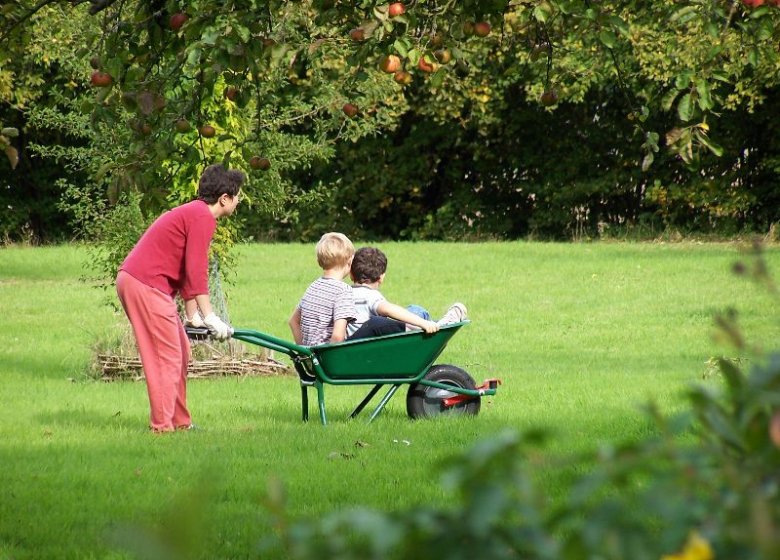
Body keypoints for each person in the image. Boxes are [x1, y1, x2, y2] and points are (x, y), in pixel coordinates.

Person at [116, 164, 243, 433]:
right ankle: (162, 427)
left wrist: (192, 315)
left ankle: (180, 422)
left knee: (181, 351)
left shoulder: (196, 214)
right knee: (167, 357)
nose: (239, 201)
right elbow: (197, 269)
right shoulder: (202, 217)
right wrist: (210, 316)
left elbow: (186, 270)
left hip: (144, 283)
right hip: (145, 284)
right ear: (224, 198)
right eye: (238, 196)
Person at [346, 246, 467, 340]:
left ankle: (435, 324)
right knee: (417, 311)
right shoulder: (370, 296)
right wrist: (423, 323)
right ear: (381, 277)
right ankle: (441, 326)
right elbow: (388, 309)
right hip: (374, 344)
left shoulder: (345, 293)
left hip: (358, 340)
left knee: (415, 310)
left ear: (351, 274)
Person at [288, 232, 357, 347]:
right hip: (327, 359)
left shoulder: (313, 286)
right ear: (350, 261)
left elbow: (293, 321)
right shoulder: (343, 290)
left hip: (312, 357)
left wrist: (304, 351)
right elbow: (338, 336)